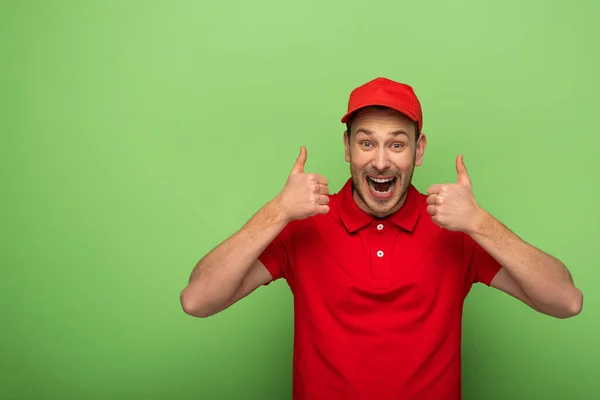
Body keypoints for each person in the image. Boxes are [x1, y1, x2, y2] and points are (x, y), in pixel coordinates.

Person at [180, 77, 583, 399]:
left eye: (397, 144)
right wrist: (277, 212)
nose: (380, 160)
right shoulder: (306, 224)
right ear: (348, 148)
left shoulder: (454, 230)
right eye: (366, 142)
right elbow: (198, 300)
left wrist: (479, 222)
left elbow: (565, 301)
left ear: (419, 151)